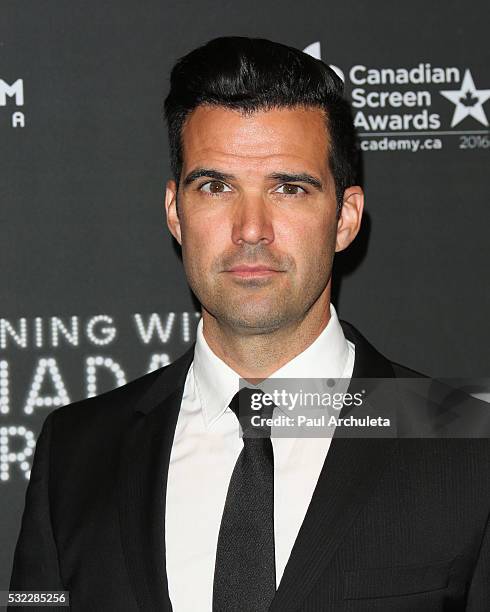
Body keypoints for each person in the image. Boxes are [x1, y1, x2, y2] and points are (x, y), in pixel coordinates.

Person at [9, 36, 490, 612]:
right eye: (215, 187)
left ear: (345, 219)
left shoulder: (468, 447)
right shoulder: (77, 450)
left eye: (289, 188)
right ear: (175, 213)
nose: (251, 229)